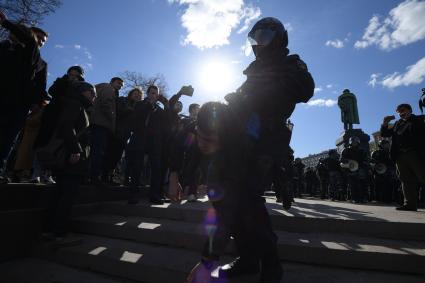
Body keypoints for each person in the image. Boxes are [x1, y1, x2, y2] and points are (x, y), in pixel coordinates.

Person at [183, 17, 314, 283]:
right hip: (239, 141)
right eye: (255, 39)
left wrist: (256, 96)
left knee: (250, 204)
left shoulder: (290, 64)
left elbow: (304, 89)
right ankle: (248, 259)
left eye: (264, 37)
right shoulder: (252, 71)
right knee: (235, 202)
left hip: (265, 140)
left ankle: (271, 266)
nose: (258, 44)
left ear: (279, 38)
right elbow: (238, 105)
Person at [35, 81, 95, 240]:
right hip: (71, 156)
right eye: (91, 92)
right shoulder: (76, 104)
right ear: (83, 91)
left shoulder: (78, 105)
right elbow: (66, 126)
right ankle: (58, 231)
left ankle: (48, 229)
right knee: (67, 194)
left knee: (60, 193)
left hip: (69, 155)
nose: (94, 96)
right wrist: (76, 150)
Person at [0, 11, 48, 182]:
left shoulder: (41, 63)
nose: (41, 42)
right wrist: (6, 23)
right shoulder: (6, 47)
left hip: (21, 103)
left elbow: (41, 85)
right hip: (3, 96)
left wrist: (38, 101)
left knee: (9, 137)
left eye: (44, 41)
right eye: (39, 38)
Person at [127, 85, 168, 204]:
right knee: (137, 167)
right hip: (140, 138)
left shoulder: (159, 109)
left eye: (156, 93)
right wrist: (150, 104)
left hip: (155, 141)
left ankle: (154, 195)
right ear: (148, 94)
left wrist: (166, 105)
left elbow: (166, 123)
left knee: (156, 168)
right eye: (152, 93)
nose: (154, 95)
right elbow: (138, 116)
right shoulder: (140, 104)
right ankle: (133, 194)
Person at [381, 103, 425, 211]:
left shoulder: (419, 119)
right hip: (400, 156)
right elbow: (385, 134)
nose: (401, 113)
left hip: (415, 154)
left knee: (423, 176)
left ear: (410, 110)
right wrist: (385, 123)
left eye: (403, 110)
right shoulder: (397, 123)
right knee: (405, 180)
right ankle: (410, 204)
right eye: (399, 112)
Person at [102, 88, 143, 185]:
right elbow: (118, 111)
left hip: (126, 135)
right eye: (135, 93)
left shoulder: (138, 107)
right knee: (110, 155)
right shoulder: (123, 100)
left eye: (139, 95)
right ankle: (103, 176)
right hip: (116, 132)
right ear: (131, 93)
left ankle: (110, 177)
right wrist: (131, 110)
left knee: (117, 156)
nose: (137, 95)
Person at [89, 77, 123, 185]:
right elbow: (106, 105)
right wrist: (112, 119)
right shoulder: (108, 88)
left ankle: (91, 176)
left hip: (97, 123)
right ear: (112, 82)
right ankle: (94, 177)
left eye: (121, 85)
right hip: (102, 124)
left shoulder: (101, 88)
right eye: (118, 83)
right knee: (98, 151)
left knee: (95, 150)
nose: (120, 86)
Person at [340, 136, 369, 203]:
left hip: (360, 169)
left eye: (355, 142)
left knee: (362, 184)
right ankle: (354, 198)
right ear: (351, 142)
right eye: (353, 142)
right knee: (353, 185)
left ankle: (363, 198)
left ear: (358, 142)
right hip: (350, 169)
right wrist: (348, 161)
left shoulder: (362, 150)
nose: (354, 143)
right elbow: (341, 160)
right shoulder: (346, 150)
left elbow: (366, 159)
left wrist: (364, 163)